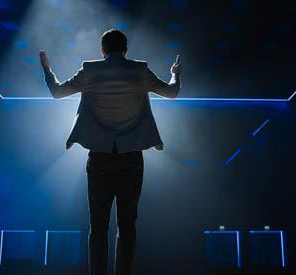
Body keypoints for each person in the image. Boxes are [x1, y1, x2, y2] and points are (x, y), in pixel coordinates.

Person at [40, 29, 181, 275]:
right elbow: (172, 93)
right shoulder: (139, 70)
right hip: (132, 158)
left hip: (99, 158)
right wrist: (175, 75)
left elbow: (57, 92)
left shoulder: (90, 71)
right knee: (127, 226)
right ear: (126, 50)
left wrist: (47, 69)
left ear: (102, 50)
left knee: (98, 226)